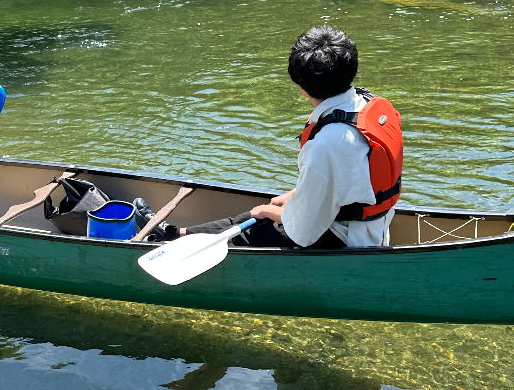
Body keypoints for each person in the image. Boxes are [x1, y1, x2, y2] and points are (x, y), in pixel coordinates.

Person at [159, 25, 402, 249]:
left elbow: (303, 232)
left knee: (255, 224)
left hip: (344, 237)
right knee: (258, 214)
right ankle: (173, 234)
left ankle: (167, 243)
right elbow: (349, 178)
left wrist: (271, 213)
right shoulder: (368, 106)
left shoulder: (326, 144)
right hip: (370, 225)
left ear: (301, 86)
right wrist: (291, 196)